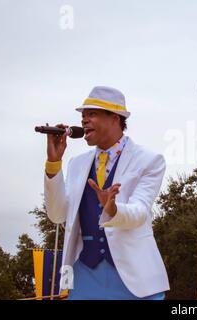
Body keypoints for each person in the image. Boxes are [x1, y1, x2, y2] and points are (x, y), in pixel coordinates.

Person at [44, 86, 169, 300]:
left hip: (135, 281)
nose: (84, 121)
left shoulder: (149, 160)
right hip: (84, 276)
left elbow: (139, 212)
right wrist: (54, 164)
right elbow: (57, 215)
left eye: (92, 114)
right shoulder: (76, 164)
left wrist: (113, 210)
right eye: (83, 116)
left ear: (115, 118)